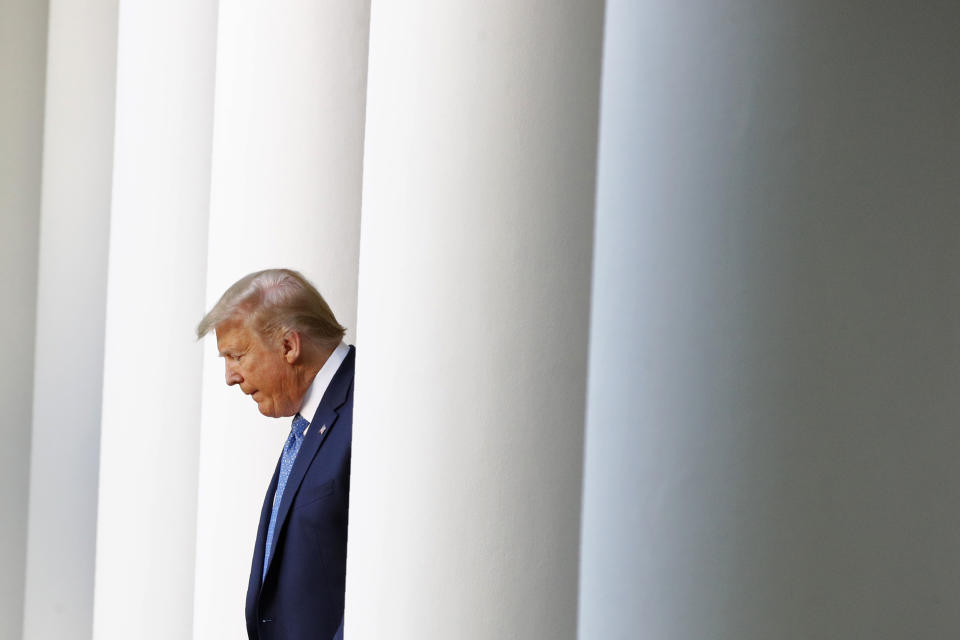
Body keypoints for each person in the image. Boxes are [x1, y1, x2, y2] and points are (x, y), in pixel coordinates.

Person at [197, 268, 354, 640]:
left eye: (236, 355)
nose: (230, 377)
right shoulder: (312, 420)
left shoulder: (368, 407)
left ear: (289, 346)